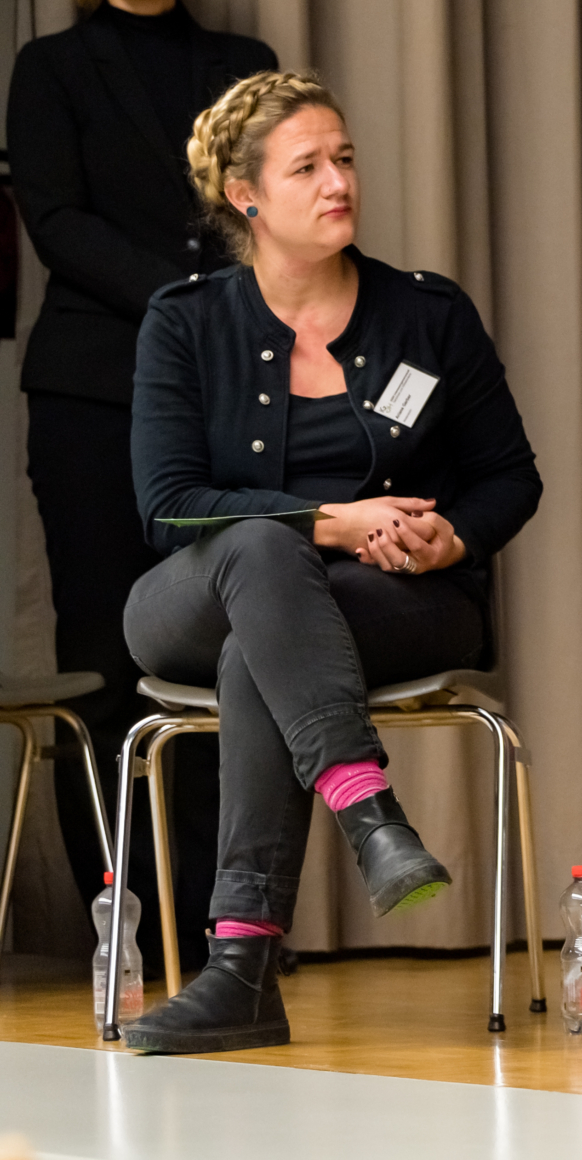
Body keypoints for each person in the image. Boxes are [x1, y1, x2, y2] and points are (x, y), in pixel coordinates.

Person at [115, 71, 543, 1053]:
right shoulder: (185, 323)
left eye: (344, 158)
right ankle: (369, 812)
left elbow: (508, 479)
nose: (339, 181)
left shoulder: (427, 317)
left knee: (259, 654)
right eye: (307, 166)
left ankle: (242, 972)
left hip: (398, 602)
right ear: (246, 195)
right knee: (262, 550)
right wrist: (335, 522)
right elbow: (168, 507)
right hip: (192, 595)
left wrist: (456, 537)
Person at [9, 0, 276, 970]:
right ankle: (126, 917)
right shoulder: (53, 68)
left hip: (221, 396)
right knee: (102, 657)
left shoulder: (243, 66)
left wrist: (214, 307)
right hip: (90, 394)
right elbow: (56, 220)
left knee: (223, 654)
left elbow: (274, 201)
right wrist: (181, 299)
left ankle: (227, 923)